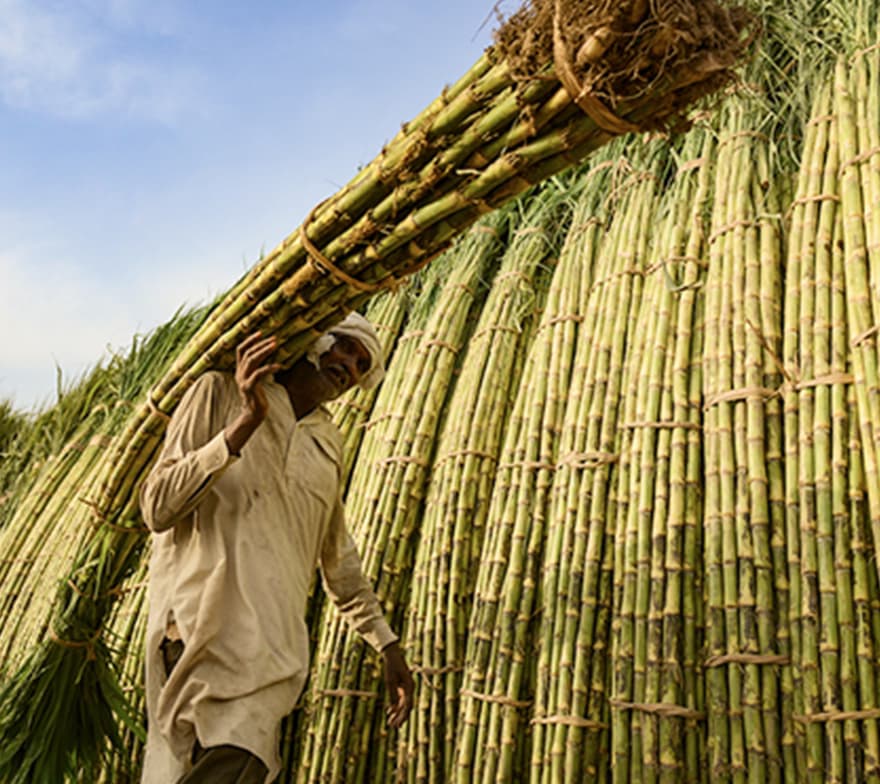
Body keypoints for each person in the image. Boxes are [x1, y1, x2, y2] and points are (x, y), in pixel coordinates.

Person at [138, 312, 414, 784]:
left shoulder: (328, 445)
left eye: (361, 363)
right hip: (200, 631)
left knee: (239, 760)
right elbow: (157, 506)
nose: (348, 364)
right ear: (315, 339)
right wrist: (245, 422)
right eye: (344, 346)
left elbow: (337, 558)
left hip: (271, 656)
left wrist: (386, 644)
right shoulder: (218, 391)